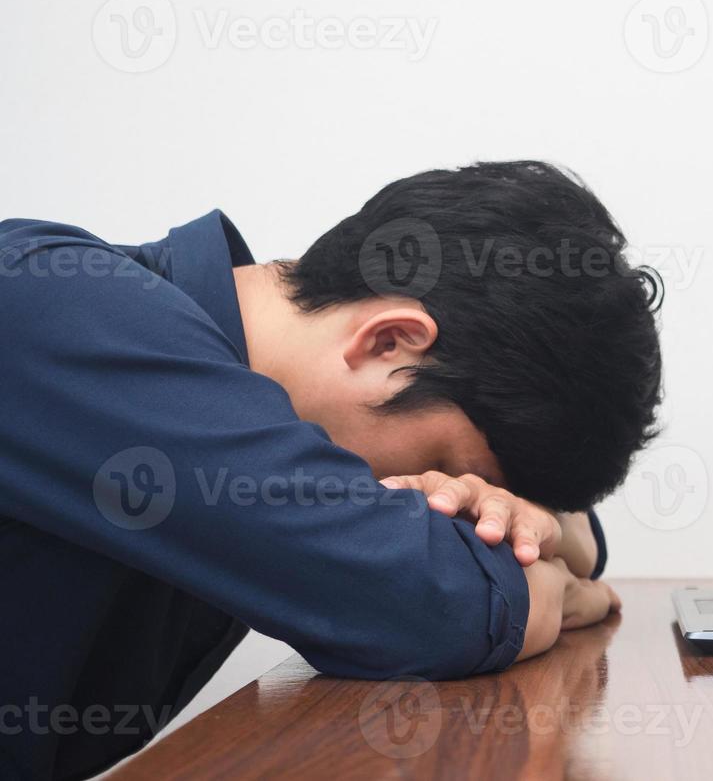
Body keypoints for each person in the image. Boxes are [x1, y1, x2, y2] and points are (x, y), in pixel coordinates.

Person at [0, 161, 663, 780]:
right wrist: (565, 592)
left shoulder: (223, 392)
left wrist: (537, 527)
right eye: (442, 466)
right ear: (388, 341)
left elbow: (550, 533)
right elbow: (425, 605)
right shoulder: (49, 306)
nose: (445, 498)